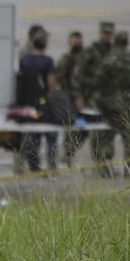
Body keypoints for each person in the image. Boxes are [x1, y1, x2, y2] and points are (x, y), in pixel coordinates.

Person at [95, 31, 130, 175]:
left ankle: (106, 166)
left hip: (109, 103)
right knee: (129, 136)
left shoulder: (107, 59)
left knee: (107, 136)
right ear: (126, 42)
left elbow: (98, 80)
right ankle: (128, 168)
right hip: (129, 102)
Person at [72, 21, 115, 175]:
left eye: (109, 33)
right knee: (96, 132)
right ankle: (99, 166)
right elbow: (78, 73)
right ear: (100, 33)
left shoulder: (114, 52)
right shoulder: (90, 51)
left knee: (108, 133)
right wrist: (78, 96)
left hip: (110, 100)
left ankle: (106, 163)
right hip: (93, 99)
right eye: (104, 33)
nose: (106, 36)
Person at [18, 31, 57, 172]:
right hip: (43, 102)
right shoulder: (48, 61)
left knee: (31, 135)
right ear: (44, 44)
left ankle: (33, 165)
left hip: (28, 103)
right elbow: (51, 84)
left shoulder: (24, 61)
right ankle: (52, 165)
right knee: (51, 134)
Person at [55, 31, 86, 167]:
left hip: (85, 100)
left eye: (78, 40)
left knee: (85, 129)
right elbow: (60, 78)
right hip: (70, 99)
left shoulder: (86, 57)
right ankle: (68, 155)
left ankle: (70, 151)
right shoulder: (65, 59)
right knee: (70, 127)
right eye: (74, 40)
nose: (77, 43)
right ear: (69, 42)